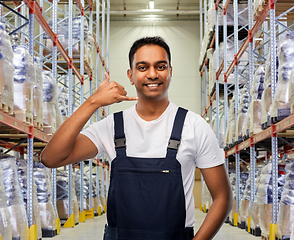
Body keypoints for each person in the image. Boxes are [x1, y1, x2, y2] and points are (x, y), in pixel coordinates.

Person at [41, 36, 233, 240]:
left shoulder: (194, 126)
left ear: (170, 72)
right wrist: (93, 102)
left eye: (160, 66)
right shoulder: (112, 127)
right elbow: (51, 158)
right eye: (142, 67)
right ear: (130, 75)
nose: (152, 74)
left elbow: (222, 198)